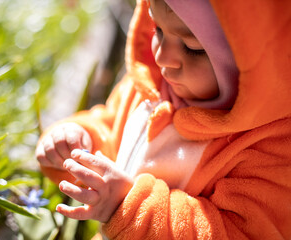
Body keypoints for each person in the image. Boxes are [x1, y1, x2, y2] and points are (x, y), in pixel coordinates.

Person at [36, 0, 291, 238]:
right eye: (158, 30)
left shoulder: (271, 148)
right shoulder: (152, 86)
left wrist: (128, 205)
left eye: (193, 48)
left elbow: (237, 232)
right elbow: (112, 126)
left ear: (253, 59)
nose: (161, 57)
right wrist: (78, 142)